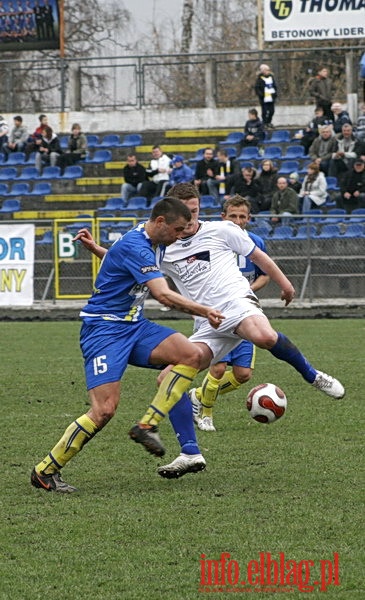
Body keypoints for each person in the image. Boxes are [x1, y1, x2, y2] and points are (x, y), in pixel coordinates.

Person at [77, 182, 345, 479]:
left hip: (236, 303)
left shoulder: (222, 230)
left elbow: (259, 258)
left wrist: (285, 284)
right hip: (208, 322)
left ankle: (313, 376)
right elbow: (129, 264)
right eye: (186, 214)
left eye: (195, 211)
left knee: (265, 336)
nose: (191, 219)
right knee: (169, 377)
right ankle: (190, 453)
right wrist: (96, 249)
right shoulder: (163, 246)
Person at [30, 196, 225, 493]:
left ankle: (146, 425)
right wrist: (205, 310)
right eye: (177, 229)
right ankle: (45, 471)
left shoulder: (150, 238)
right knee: (104, 410)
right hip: (104, 331)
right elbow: (162, 294)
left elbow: (120, 261)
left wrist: (98, 250)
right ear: (160, 222)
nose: (180, 235)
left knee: (192, 355)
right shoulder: (139, 244)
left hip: (135, 326)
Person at [190, 195, 270, 432]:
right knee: (217, 369)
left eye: (242, 216)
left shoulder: (255, 242)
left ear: (248, 219)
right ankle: (206, 414)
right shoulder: (212, 239)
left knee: (243, 375)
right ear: (223, 217)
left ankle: (197, 395)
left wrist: (247, 289)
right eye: (232, 216)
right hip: (215, 314)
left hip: (245, 312)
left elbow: (265, 274)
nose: (237, 221)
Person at [254, 64, 277, 129]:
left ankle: (269, 122)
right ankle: (265, 123)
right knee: (264, 111)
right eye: (266, 70)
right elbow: (257, 88)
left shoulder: (271, 77)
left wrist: (275, 94)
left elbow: (274, 86)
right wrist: (260, 94)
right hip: (264, 98)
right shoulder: (260, 78)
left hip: (271, 97)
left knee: (272, 111)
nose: (268, 71)